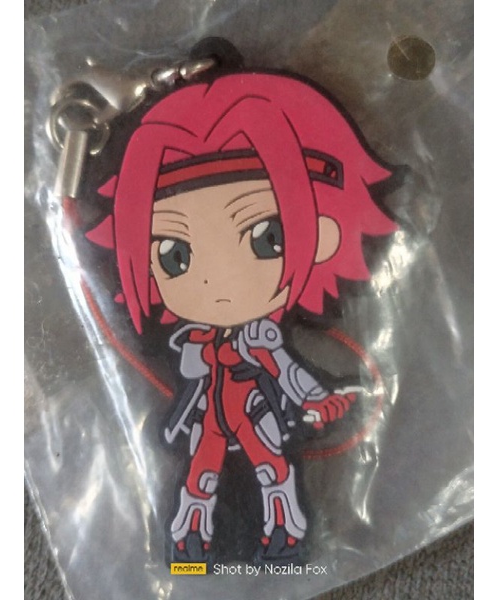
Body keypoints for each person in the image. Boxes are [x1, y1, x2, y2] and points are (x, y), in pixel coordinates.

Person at [87, 71, 397, 564]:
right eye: (173, 255)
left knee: (271, 466)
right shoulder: (191, 340)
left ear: (324, 234)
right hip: (211, 411)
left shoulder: (261, 336)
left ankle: (285, 533)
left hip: (252, 405)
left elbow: (285, 369)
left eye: (265, 238)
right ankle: (191, 542)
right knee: (200, 474)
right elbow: (204, 372)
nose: (215, 282)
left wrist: (316, 399)